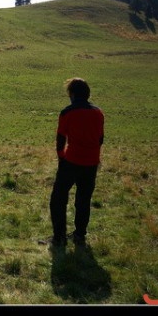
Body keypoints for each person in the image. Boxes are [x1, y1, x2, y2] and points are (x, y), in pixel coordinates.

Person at [48, 78, 104, 247]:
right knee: (84, 199)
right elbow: (100, 139)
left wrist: (61, 156)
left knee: (58, 198)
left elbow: (61, 138)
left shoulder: (67, 113)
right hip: (91, 162)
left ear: (71, 94)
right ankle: (80, 234)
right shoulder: (98, 113)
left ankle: (59, 237)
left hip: (71, 160)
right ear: (87, 94)